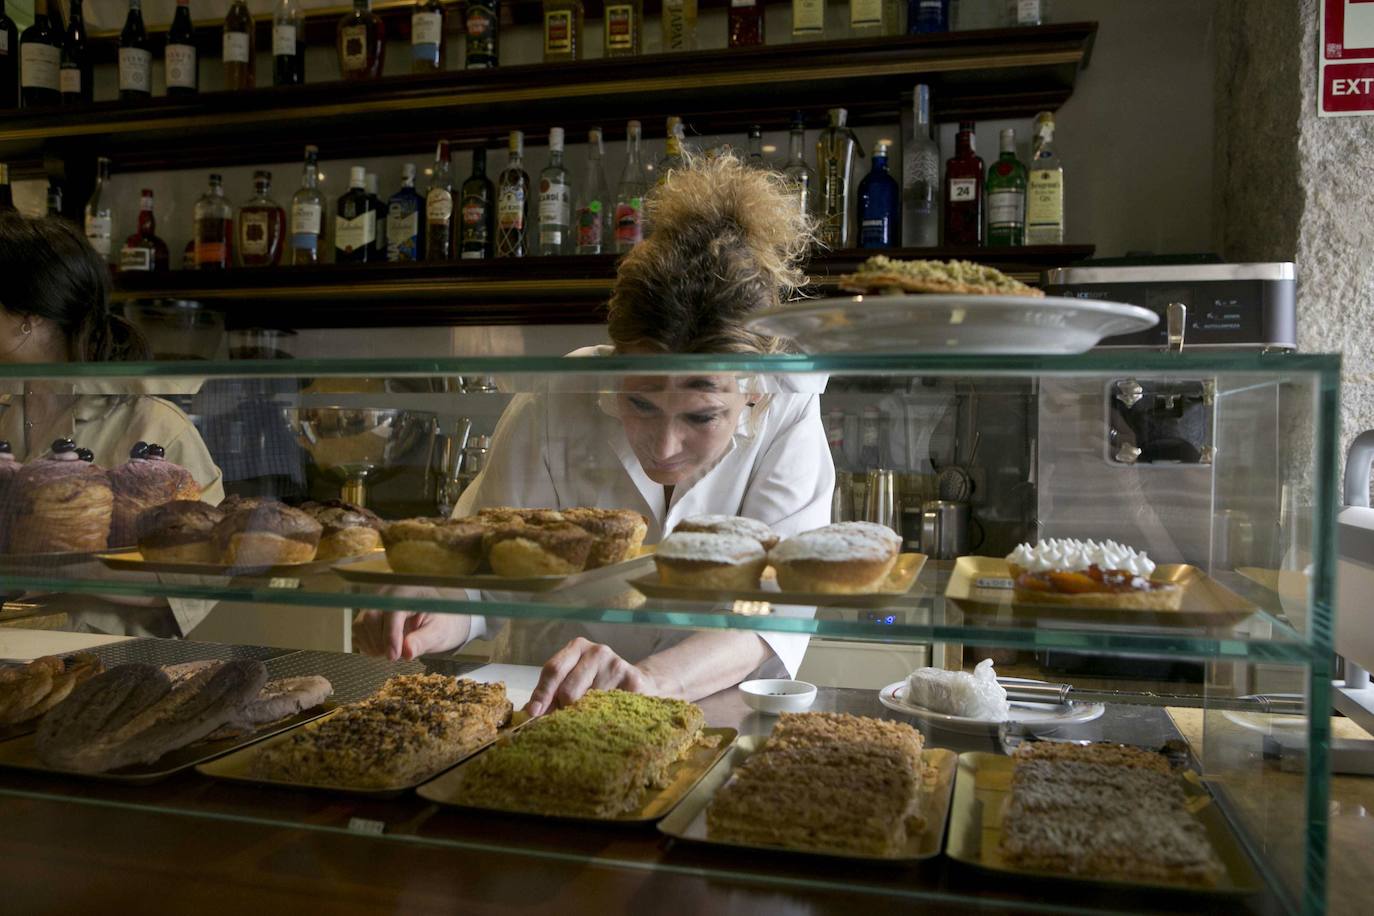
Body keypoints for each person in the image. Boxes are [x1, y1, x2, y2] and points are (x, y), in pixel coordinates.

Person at [354, 155, 835, 716]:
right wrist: (434, 613)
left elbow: (774, 614)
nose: (665, 445)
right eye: (640, 403)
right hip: (540, 706)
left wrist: (648, 680)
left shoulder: (790, 411)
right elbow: (486, 577)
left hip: (706, 714)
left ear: (751, 388)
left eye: (701, 416)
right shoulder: (557, 398)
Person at [0, 213, 224, 636]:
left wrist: (65, 564)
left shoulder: (154, 426)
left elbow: (200, 576)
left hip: (106, 671)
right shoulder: (4, 409)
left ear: (28, 314)